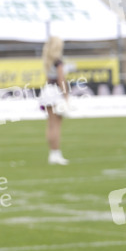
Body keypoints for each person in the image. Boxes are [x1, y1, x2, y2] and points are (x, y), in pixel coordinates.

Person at [41, 36, 70, 165]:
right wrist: (66, 95)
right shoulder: (58, 61)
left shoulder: (47, 60)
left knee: (50, 124)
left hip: (47, 91)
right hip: (55, 92)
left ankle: (52, 154)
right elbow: (61, 79)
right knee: (56, 125)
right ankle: (56, 154)